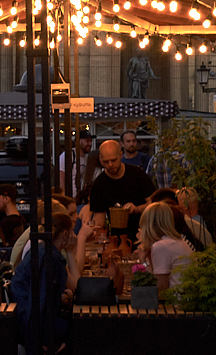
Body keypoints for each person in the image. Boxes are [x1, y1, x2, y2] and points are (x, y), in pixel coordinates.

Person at [11, 213, 76, 354]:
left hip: (25, 320)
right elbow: (40, 302)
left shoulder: (43, 251)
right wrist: (41, 341)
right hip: (33, 328)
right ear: (66, 234)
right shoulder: (51, 258)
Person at [89, 139, 156, 239]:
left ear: (121, 155)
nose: (110, 165)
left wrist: (137, 209)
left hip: (143, 234)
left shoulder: (137, 174)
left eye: (113, 160)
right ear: (100, 159)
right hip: (117, 238)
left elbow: (154, 203)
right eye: (106, 162)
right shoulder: (99, 184)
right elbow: (99, 217)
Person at [137, 201, 194, 295]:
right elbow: (158, 273)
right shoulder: (176, 241)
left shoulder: (161, 246)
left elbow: (160, 289)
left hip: (175, 305)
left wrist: (143, 261)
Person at [58, 130, 98, 198]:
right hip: (71, 197)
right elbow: (61, 178)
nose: (90, 144)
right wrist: (64, 197)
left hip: (81, 197)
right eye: (87, 141)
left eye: (91, 141)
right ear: (78, 142)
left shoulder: (87, 157)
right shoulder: (68, 155)